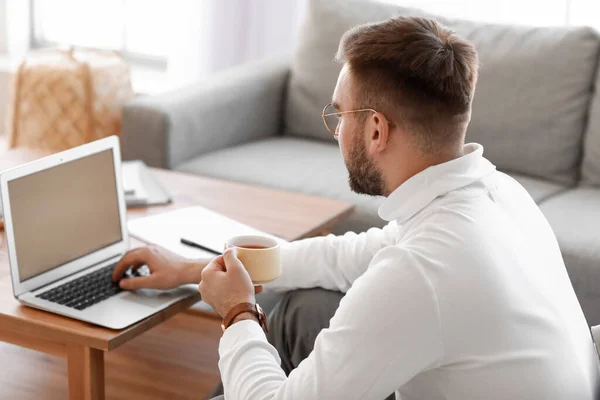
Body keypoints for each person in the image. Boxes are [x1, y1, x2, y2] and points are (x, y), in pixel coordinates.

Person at [112, 17, 600, 400]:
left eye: (338, 114)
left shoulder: (424, 270)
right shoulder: (497, 195)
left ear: (375, 130)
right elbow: (347, 257)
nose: (335, 130)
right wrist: (188, 269)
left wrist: (238, 311)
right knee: (307, 307)